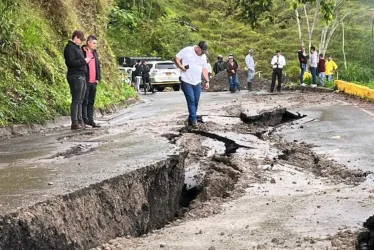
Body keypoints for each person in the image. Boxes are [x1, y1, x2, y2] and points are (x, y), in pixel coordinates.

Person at [174, 41, 210, 127]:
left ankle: (191, 119)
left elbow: (204, 69)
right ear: (198, 48)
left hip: (197, 82)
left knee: (196, 101)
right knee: (191, 100)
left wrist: (207, 80)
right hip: (186, 81)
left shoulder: (203, 56)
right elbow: (176, 58)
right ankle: (194, 121)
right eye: (202, 51)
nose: (203, 53)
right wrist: (181, 66)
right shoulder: (187, 50)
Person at [64, 30, 93, 130]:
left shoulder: (77, 48)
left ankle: (80, 120)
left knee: (81, 100)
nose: (81, 42)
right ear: (75, 38)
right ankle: (74, 122)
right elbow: (70, 62)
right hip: (75, 76)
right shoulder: (69, 48)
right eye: (80, 39)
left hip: (82, 75)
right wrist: (83, 61)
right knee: (76, 100)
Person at [82, 35, 102, 128]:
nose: (95, 45)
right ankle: (84, 119)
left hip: (94, 81)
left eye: (96, 43)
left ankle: (91, 120)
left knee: (91, 101)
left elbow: (98, 66)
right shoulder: (83, 51)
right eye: (94, 43)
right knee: (84, 101)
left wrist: (98, 78)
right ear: (88, 42)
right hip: (86, 80)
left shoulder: (95, 53)